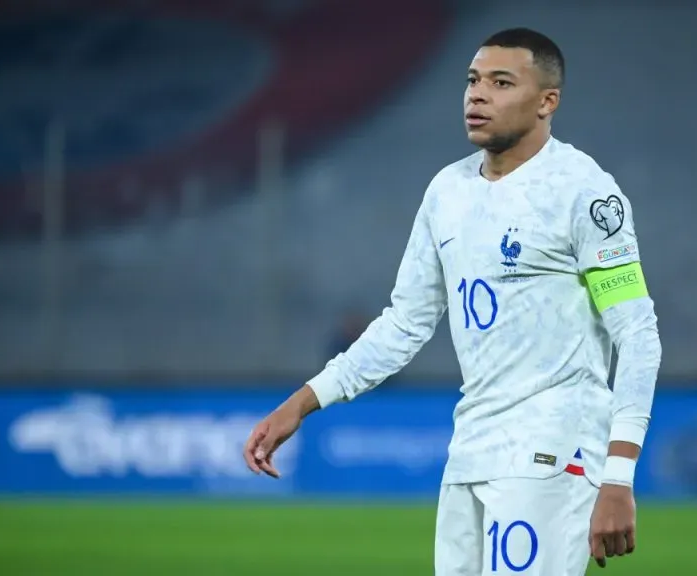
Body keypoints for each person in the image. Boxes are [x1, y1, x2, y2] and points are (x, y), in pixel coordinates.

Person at [243, 27, 662, 575]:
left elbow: (637, 333)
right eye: (472, 80)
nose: (477, 94)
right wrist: (302, 401)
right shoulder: (448, 192)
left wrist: (619, 476)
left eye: (501, 82)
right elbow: (404, 325)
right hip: (470, 449)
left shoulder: (583, 192)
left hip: (552, 452)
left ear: (546, 102)